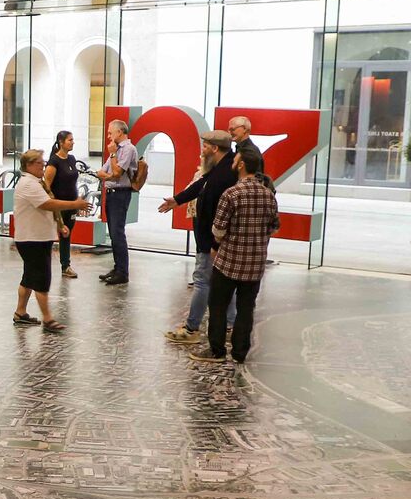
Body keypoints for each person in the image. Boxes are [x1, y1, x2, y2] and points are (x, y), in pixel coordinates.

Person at [191, 143, 279, 367]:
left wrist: (218, 244)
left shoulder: (232, 194)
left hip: (228, 262)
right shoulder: (268, 195)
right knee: (246, 308)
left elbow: (218, 229)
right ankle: (240, 352)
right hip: (255, 264)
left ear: (241, 165)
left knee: (218, 306)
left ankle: (217, 350)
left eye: (235, 159)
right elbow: (274, 226)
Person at [159, 128, 240, 345]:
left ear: (214, 148)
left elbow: (217, 211)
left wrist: (214, 244)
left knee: (202, 281)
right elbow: (200, 184)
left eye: (205, 147)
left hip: (211, 241)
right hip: (213, 240)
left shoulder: (223, 176)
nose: (202, 151)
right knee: (223, 281)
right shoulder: (222, 167)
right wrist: (177, 200)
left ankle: (191, 328)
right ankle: (231, 322)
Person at [10, 149, 90, 334]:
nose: (44, 166)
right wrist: (75, 204)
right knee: (41, 278)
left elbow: (48, 205)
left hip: (35, 237)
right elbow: (48, 204)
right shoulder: (29, 184)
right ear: (29, 165)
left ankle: (20, 312)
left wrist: (60, 224)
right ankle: (48, 319)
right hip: (32, 239)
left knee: (29, 277)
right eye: (40, 163)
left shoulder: (36, 183)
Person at [94, 119, 139, 285]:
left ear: (119, 132)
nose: (108, 136)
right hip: (111, 194)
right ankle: (117, 267)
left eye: (110, 133)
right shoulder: (116, 149)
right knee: (113, 234)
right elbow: (102, 172)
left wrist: (113, 156)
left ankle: (122, 272)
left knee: (118, 233)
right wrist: (110, 175)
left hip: (121, 194)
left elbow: (118, 173)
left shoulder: (128, 149)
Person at [41, 130, 81, 278]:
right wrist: (52, 205)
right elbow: (46, 185)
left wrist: (76, 202)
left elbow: (73, 182)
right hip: (58, 204)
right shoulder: (54, 162)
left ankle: (66, 266)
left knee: (66, 234)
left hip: (71, 204)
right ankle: (43, 265)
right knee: (52, 235)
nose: (73, 142)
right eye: (70, 140)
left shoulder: (72, 159)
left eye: (73, 139)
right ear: (61, 142)